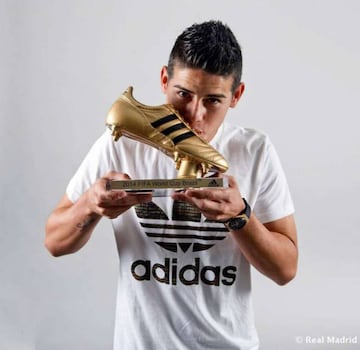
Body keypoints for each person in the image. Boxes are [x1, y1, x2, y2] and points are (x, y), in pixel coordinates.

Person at [45, 20, 298, 350]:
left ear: (236, 96)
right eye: (184, 94)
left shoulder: (255, 151)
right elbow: (54, 242)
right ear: (164, 80)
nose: (195, 116)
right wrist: (91, 204)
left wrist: (240, 216)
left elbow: (285, 269)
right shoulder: (120, 145)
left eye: (213, 101)